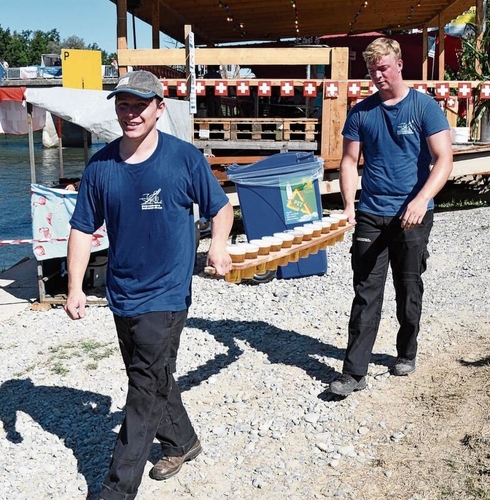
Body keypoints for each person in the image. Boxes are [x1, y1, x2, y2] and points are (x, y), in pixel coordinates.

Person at [64, 70, 233, 499]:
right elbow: (83, 228)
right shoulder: (101, 166)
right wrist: (75, 286)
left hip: (168, 292)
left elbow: (220, 206)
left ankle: (117, 489)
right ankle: (182, 441)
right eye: (124, 104)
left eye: (141, 104)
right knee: (152, 377)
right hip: (122, 292)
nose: (131, 113)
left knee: (141, 390)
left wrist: (218, 245)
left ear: (160, 108)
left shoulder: (183, 158)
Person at [328, 38, 453, 397]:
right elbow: (350, 162)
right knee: (366, 293)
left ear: (399, 64)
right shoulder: (361, 112)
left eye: (383, 67)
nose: (378, 75)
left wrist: (422, 199)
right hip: (371, 213)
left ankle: (406, 350)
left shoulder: (423, 108)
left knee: (408, 288)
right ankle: (354, 373)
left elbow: (443, 158)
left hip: (413, 214)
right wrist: (350, 205)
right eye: (371, 70)